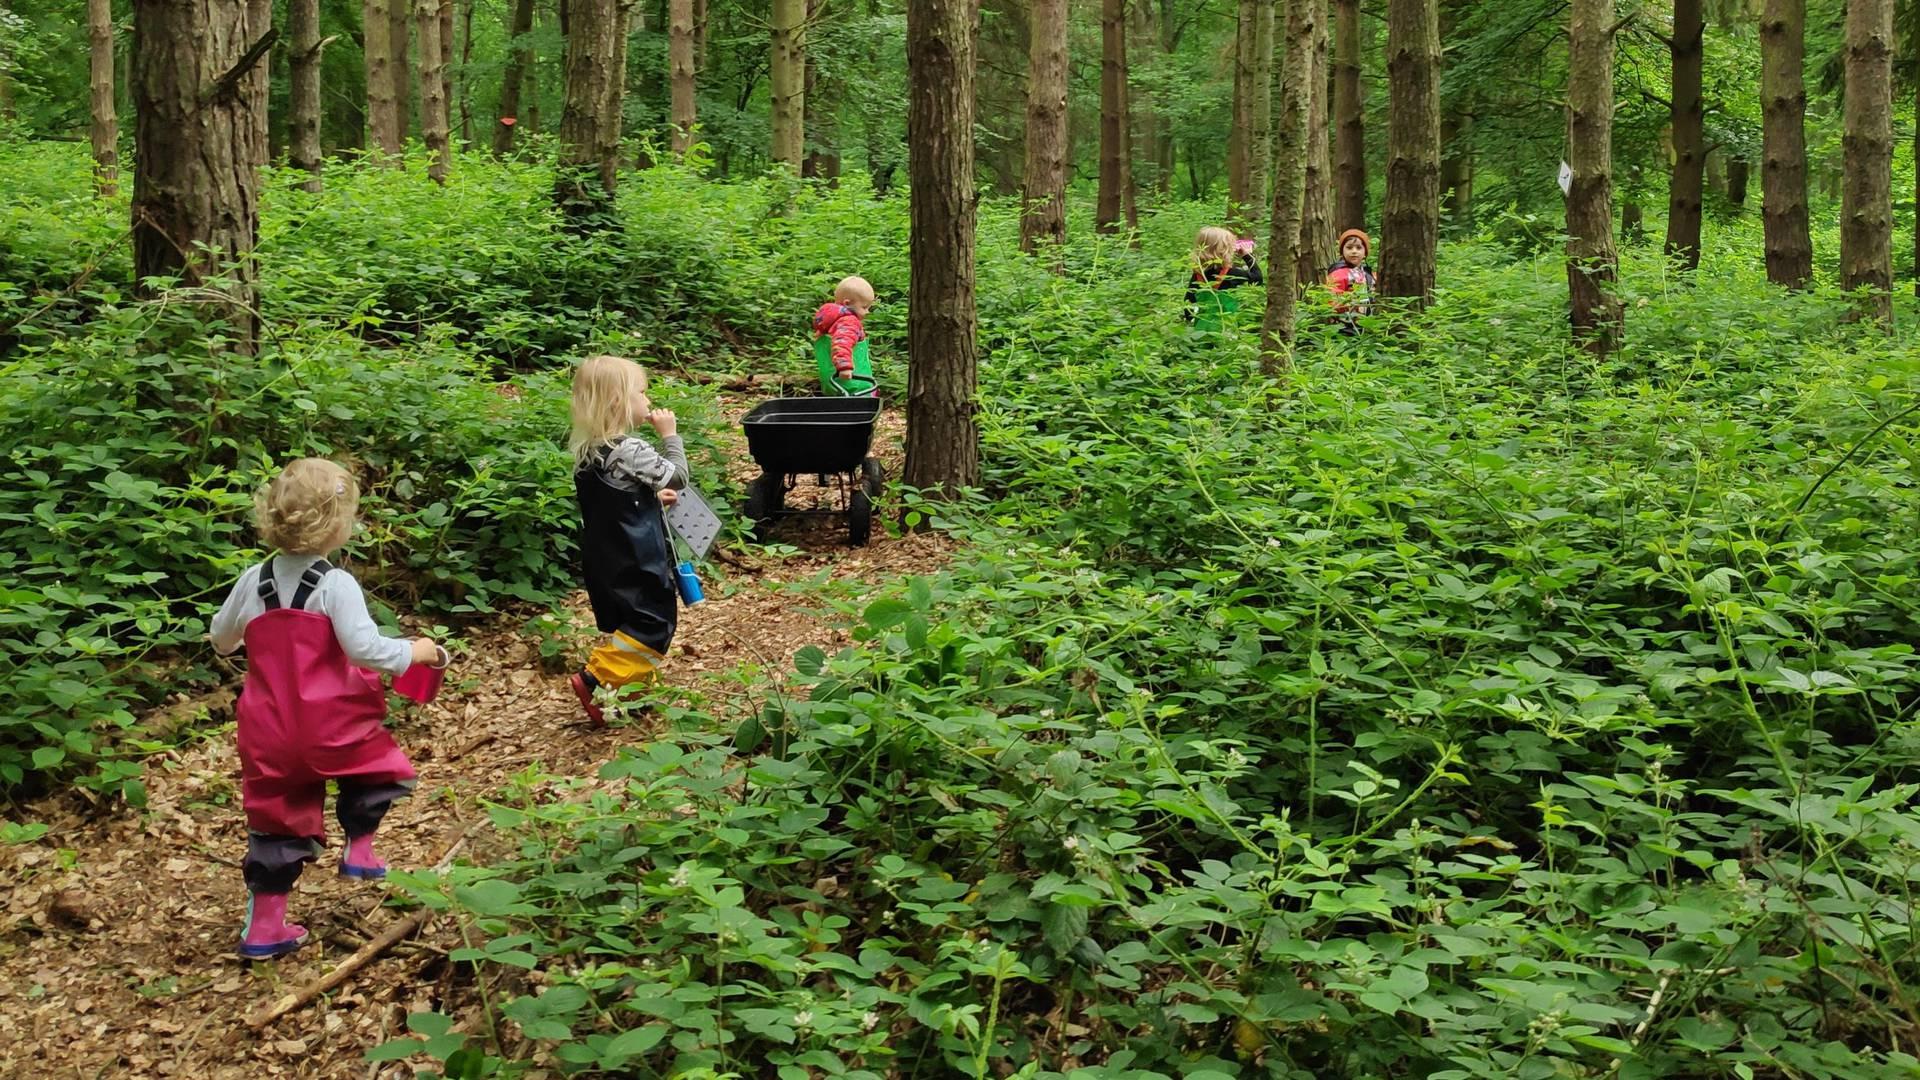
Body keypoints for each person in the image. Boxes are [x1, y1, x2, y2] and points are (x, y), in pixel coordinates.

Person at [210, 458, 445, 960]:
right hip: (333, 724)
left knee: (275, 819)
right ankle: (359, 850)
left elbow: (221, 641)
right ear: (340, 525)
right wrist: (416, 652)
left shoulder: (253, 580)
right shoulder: (335, 585)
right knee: (378, 771)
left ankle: (265, 929)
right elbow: (366, 650)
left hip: (268, 729)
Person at [567, 354, 690, 725]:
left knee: (630, 621)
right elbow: (678, 476)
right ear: (620, 401)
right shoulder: (629, 449)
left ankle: (631, 692)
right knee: (653, 622)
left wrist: (652, 499)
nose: (649, 402)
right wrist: (670, 435)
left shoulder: (589, 449)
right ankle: (598, 678)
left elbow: (615, 498)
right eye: (642, 393)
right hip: (636, 555)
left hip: (605, 556)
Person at [1184, 227, 1264, 332]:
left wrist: (1190, 322)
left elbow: (1188, 302)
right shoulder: (1232, 273)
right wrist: (1247, 256)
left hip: (1201, 329)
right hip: (1225, 327)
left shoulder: (1198, 275)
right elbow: (1257, 279)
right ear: (1225, 250)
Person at [813, 276, 879, 397]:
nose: (867, 312)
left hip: (832, 381)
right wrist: (844, 367)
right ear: (847, 303)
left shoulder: (830, 323)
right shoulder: (848, 322)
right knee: (860, 408)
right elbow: (841, 343)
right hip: (851, 383)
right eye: (864, 307)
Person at [1326, 228, 1375, 335]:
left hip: (1367, 326)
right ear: (1342, 251)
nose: (1354, 251)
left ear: (1365, 252)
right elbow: (1331, 300)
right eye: (1349, 248)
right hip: (1343, 326)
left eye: (1358, 248)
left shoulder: (1370, 275)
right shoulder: (1337, 274)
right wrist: (1346, 304)